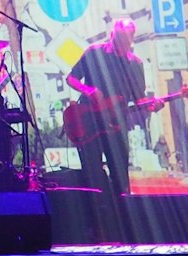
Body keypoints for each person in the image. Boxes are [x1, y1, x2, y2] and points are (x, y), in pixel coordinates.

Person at [64, 19, 160, 233]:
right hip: (88, 123)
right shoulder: (94, 53)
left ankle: (124, 227)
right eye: (119, 39)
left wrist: (154, 106)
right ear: (112, 35)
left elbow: (139, 99)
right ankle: (95, 227)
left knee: (120, 178)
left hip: (116, 126)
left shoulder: (135, 63)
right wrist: (88, 90)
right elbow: (71, 78)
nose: (122, 45)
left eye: (127, 40)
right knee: (93, 176)